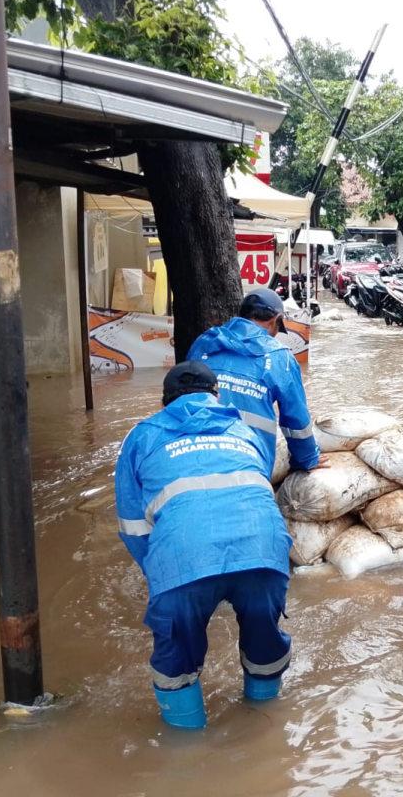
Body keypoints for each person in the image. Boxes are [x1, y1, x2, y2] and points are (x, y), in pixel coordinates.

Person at [115, 362, 294, 730]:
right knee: (264, 641)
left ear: (165, 401)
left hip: (183, 556)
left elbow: (133, 527)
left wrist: (164, 574)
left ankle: (188, 755)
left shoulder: (142, 436)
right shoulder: (243, 428)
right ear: (216, 395)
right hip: (264, 551)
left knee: (176, 657)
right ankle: (264, 734)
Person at [187, 288, 322, 473]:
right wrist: (308, 459)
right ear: (276, 320)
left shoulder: (203, 342)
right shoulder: (280, 357)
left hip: (193, 455)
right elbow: (295, 420)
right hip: (248, 461)